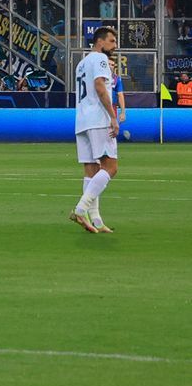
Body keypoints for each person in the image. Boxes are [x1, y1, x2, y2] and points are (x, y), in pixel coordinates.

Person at [70, 27, 122, 234]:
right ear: (100, 42)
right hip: (98, 119)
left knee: (91, 171)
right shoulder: (100, 58)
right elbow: (100, 86)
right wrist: (112, 116)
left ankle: (96, 220)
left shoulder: (81, 63)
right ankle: (81, 209)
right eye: (112, 41)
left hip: (82, 120)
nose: (115, 45)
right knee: (111, 167)